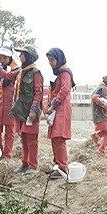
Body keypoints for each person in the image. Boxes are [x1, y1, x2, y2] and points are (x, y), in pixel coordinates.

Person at [0, 46, 43, 173]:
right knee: (23, 137)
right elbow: (6, 75)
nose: (20, 57)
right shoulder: (20, 72)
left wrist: (34, 110)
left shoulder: (36, 73)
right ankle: (25, 163)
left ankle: (33, 165)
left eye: (22, 54)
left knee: (31, 139)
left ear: (28, 56)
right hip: (21, 111)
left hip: (30, 112)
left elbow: (38, 92)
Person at [45, 48, 74, 178]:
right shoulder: (60, 74)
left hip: (61, 109)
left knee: (59, 138)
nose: (50, 63)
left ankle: (63, 166)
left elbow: (64, 89)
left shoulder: (65, 73)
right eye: (49, 60)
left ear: (59, 59)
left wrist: (53, 104)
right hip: (58, 109)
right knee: (55, 138)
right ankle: (57, 165)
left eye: (52, 60)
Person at [0, 46, 18, 159]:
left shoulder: (16, 69)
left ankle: (7, 155)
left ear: (8, 57)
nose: (0, 60)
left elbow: (6, 76)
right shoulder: (0, 69)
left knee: (10, 131)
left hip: (10, 104)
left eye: (2, 58)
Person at [91, 75, 107, 155]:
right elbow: (95, 98)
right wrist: (105, 104)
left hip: (101, 116)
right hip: (101, 116)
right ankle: (101, 151)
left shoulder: (101, 88)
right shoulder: (101, 89)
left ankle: (96, 135)